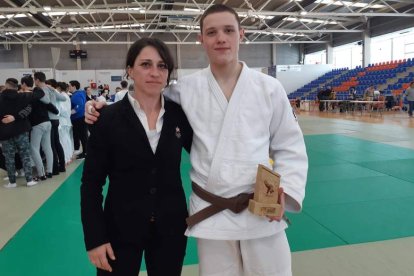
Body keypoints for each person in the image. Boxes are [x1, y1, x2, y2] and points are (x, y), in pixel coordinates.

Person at [85, 4, 307, 276]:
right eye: (211, 32)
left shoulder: (269, 88)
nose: (221, 38)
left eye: (228, 30)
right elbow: (146, 99)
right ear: (201, 39)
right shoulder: (186, 90)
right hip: (212, 212)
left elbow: (290, 146)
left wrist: (287, 193)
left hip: (260, 208)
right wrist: (101, 106)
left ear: (242, 34)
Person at [80, 38, 193, 276]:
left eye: (162, 66)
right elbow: (91, 184)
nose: (154, 73)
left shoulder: (180, 116)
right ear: (130, 70)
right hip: (119, 229)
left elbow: (209, 154)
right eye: (145, 65)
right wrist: (95, 238)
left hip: (170, 227)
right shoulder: (107, 119)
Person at [0, 78, 44, 187]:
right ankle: (29, 180)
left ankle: (12, 182)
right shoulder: (22, 96)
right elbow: (40, 93)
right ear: (17, 87)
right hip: (21, 130)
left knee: (9, 158)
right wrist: (27, 90)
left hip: (4, 132)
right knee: (25, 155)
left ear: (6, 86)